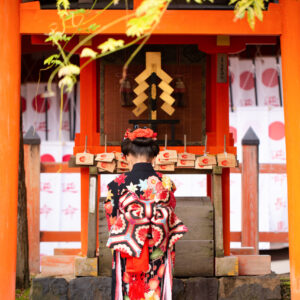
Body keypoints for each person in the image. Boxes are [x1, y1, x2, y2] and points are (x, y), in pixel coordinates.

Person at [104, 127, 188, 300]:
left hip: (129, 246)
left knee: (128, 289)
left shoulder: (117, 184)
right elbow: (170, 214)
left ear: (127, 156)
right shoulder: (166, 182)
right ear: (153, 156)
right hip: (158, 244)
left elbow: (112, 220)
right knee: (155, 290)